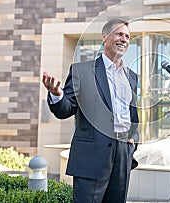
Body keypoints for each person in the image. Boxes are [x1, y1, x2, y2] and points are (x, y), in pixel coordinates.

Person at [42, 18, 139, 203]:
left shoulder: (132, 77)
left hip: (123, 153)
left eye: (127, 36)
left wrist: (134, 141)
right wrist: (57, 95)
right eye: (119, 34)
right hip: (92, 156)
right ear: (105, 37)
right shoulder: (82, 71)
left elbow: (132, 114)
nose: (124, 39)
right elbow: (66, 109)